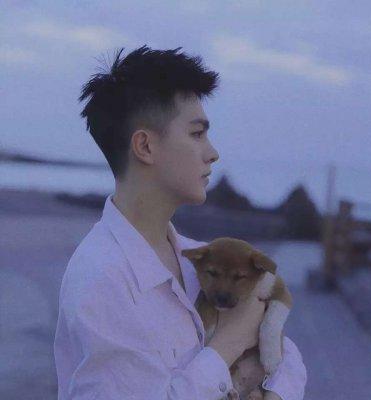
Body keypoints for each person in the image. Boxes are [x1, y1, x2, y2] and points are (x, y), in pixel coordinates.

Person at [54, 45, 307, 400]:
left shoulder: (199, 258)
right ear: (145, 146)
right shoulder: (102, 277)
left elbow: (289, 357)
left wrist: (274, 393)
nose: (213, 152)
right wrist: (230, 342)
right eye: (197, 133)